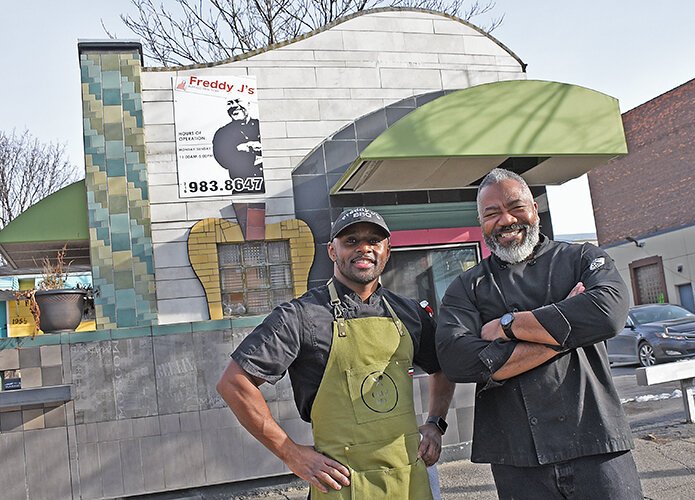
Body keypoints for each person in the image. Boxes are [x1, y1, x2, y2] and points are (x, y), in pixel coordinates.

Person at [217, 207, 455, 499]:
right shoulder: (301, 316)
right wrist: (290, 453)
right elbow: (234, 383)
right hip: (340, 485)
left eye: (374, 241)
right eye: (351, 241)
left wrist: (435, 423)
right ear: (332, 251)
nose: (364, 248)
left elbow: (443, 366)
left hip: (409, 481)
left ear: (387, 250)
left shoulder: (410, 313)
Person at [436, 168, 642, 499]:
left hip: (596, 442)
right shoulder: (467, 286)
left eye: (516, 207)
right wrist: (568, 330)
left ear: (535, 208)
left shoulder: (581, 258)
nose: (505, 220)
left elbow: (607, 313)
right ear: (481, 223)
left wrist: (507, 326)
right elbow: (457, 360)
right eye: (492, 214)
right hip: (517, 460)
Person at [212, 97, 263, 191]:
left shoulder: (262, 126)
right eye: (230, 103)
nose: (234, 105)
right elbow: (225, 161)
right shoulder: (222, 134)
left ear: (249, 104)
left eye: (238, 101)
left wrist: (243, 149)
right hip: (243, 188)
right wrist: (253, 152)